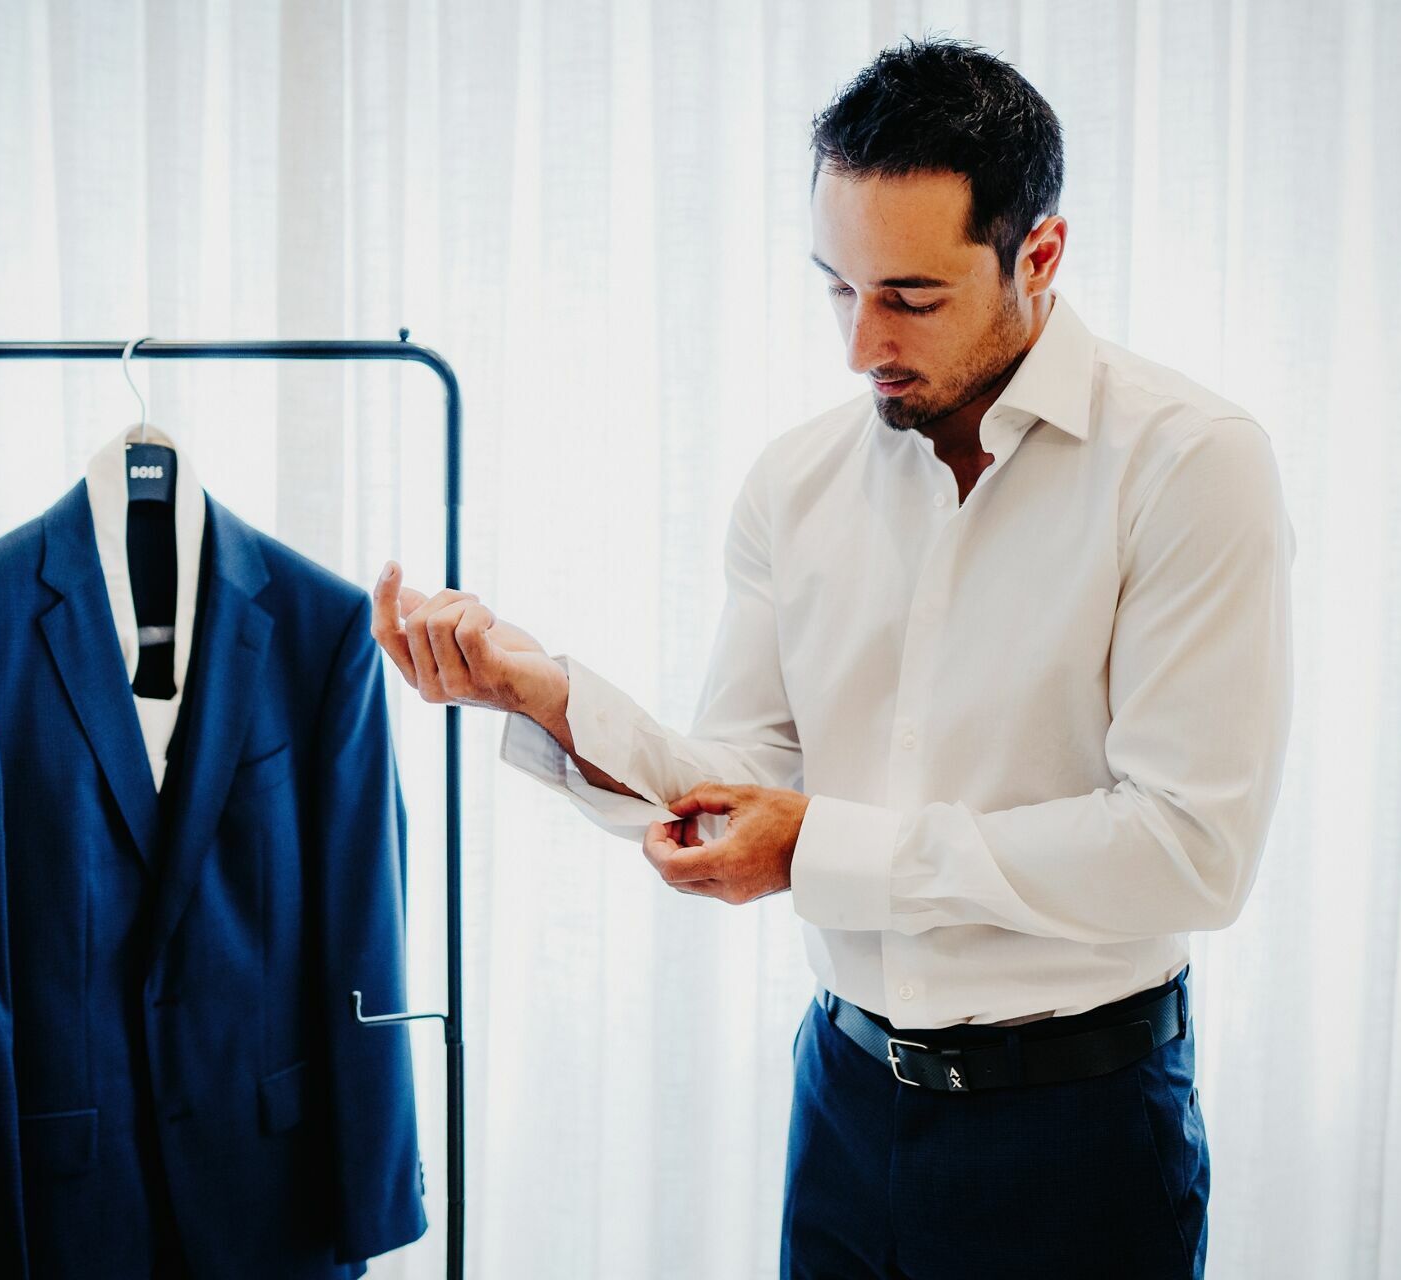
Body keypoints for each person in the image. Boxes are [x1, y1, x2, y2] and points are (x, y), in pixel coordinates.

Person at [369, 35, 1292, 1279]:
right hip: (847, 1104)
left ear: (1042, 257)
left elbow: (1192, 848)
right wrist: (548, 694)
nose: (862, 345)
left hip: (1078, 1130)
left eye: (910, 297)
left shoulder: (1192, 465)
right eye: (837, 288)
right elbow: (743, 771)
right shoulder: (797, 482)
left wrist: (817, 846)